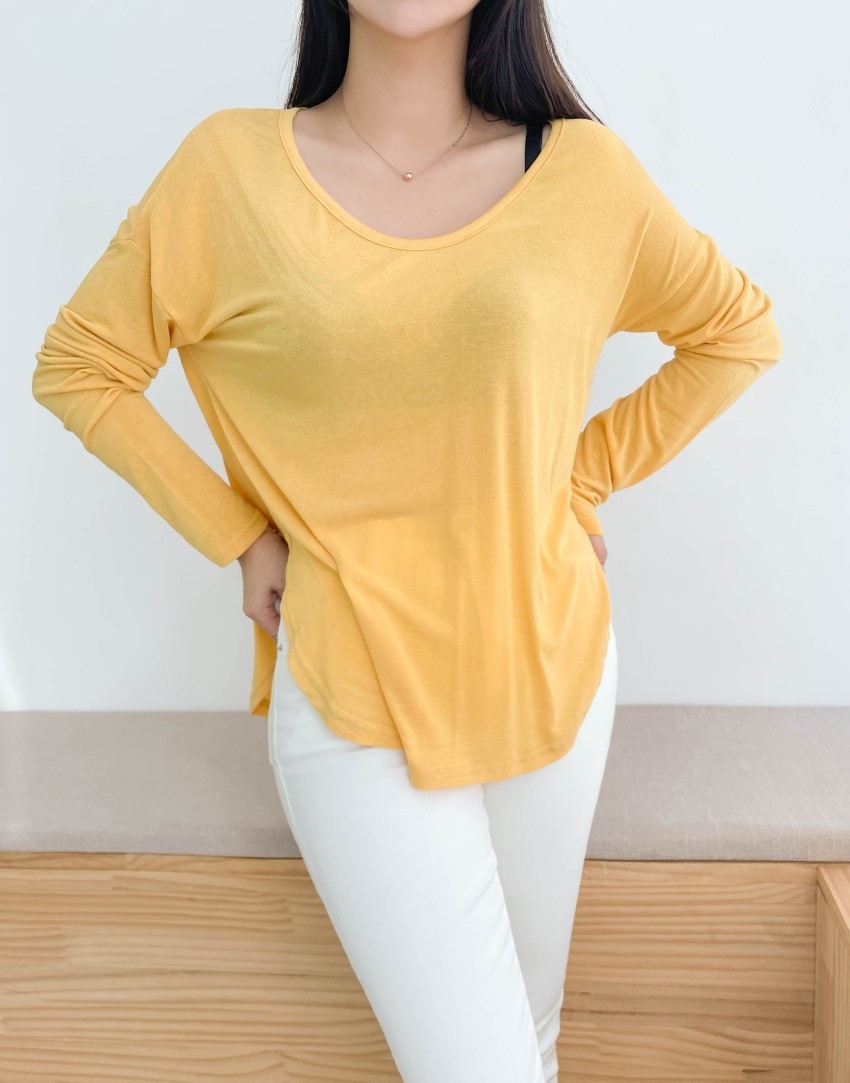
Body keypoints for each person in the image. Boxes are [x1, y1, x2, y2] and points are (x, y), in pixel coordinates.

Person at [32, 1, 783, 1079]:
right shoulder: (226, 172)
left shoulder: (584, 173)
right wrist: (240, 535)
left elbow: (736, 332)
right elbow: (80, 367)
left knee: (529, 1042)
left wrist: (575, 477)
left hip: (554, 662)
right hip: (355, 688)